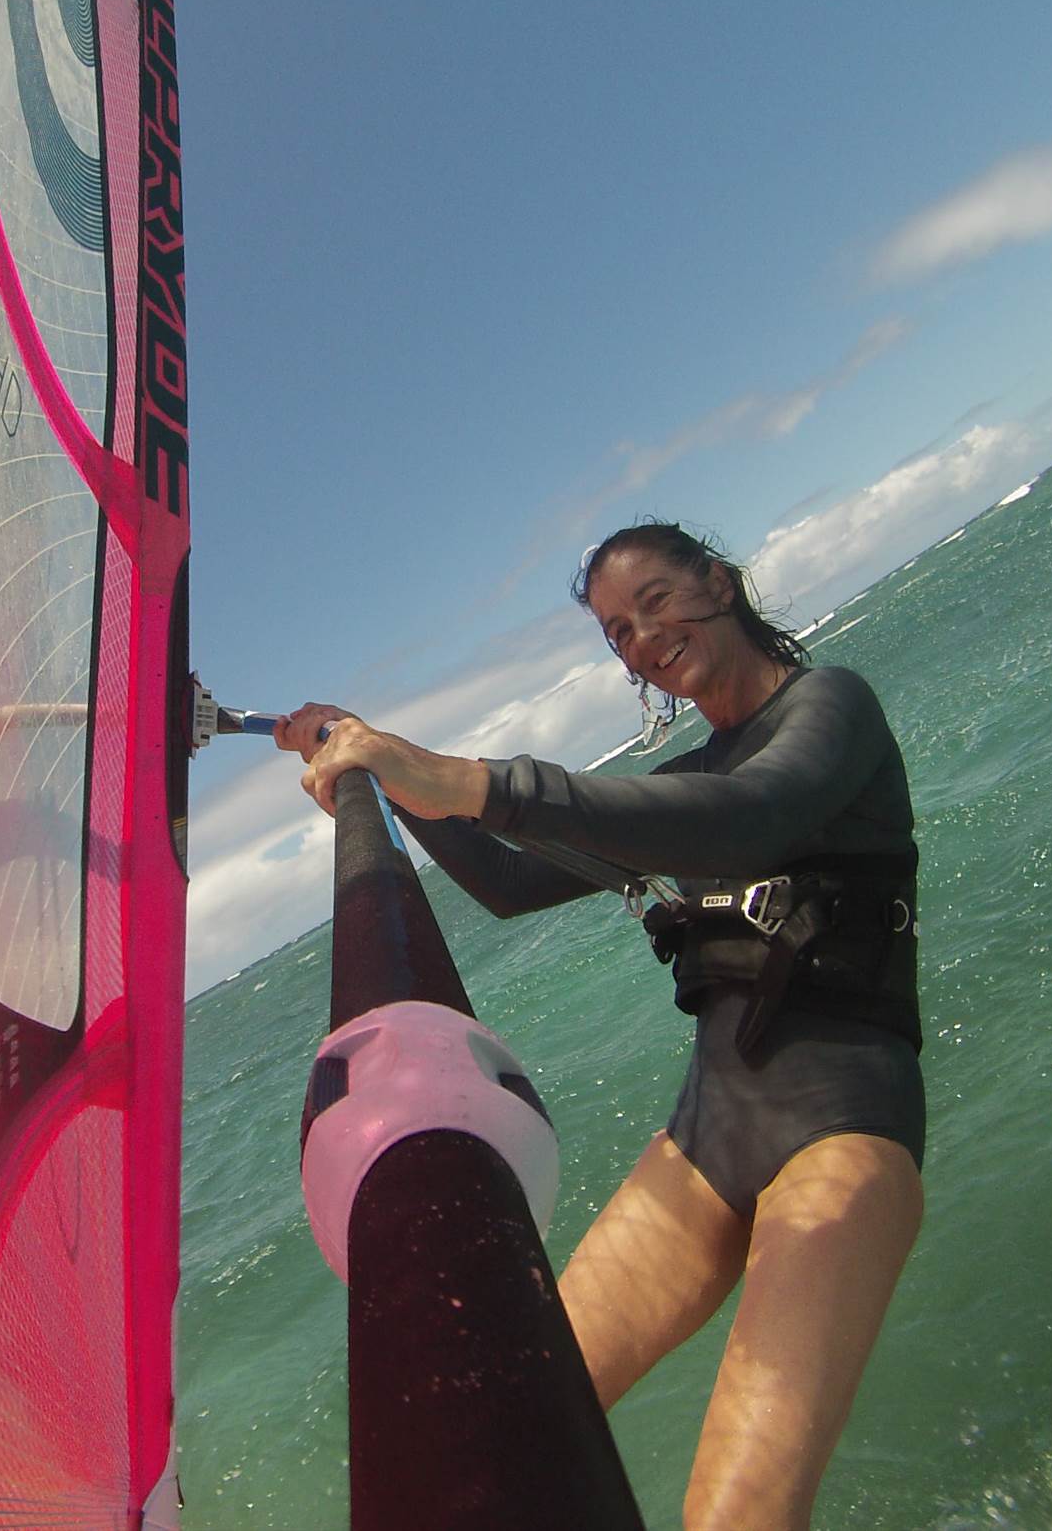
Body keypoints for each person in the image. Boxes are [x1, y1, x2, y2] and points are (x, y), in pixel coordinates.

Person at [272, 521, 925, 1531]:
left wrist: (465, 778)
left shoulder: (830, 707)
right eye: (619, 631)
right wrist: (383, 772)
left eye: (655, 601)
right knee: (513, 1435)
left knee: (735, 1519)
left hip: (840, 1131)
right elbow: (507, 879)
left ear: (718, 581)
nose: (642, 638)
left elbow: (757, 813)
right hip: (704, 1143)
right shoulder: (691, 776)